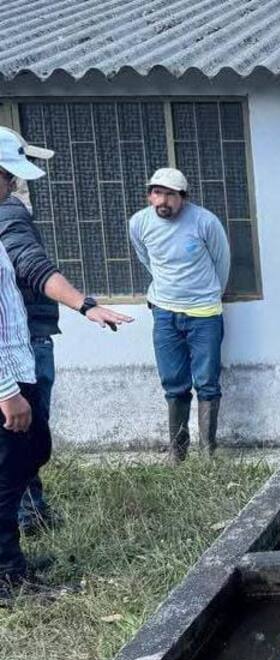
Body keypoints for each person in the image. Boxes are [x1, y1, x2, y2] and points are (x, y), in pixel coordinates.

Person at [0, 128, 132, 533]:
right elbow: (33, 266)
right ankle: (23, 526)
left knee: (20, 447)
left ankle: (24, 522)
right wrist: (85, 304)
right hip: (18, 351)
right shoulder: (10, 214)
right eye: (11, 175)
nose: (14, 185)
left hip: (21, 345)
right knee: (21, 445)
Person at [129, 168, 230, 461]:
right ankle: (178, 453)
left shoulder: (205, 222)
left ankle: (208, 453)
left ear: (183, 197)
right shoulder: (139, 223)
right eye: (157, 193)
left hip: (205, 313)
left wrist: (208, 296)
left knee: (207, 382)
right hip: (164, 313)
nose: (163, 200)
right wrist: (168, 294)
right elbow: (146, 259)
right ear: (149, 195)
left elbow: (221, 262)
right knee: (173, 382)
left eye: (170, 195)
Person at [0, 236, 50, 602]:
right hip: (6, 380)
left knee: (30, 456)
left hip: (19, 367)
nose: (13, 187)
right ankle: (7, 577)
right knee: (4, 477)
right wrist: (6, 391)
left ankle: (13, 561)